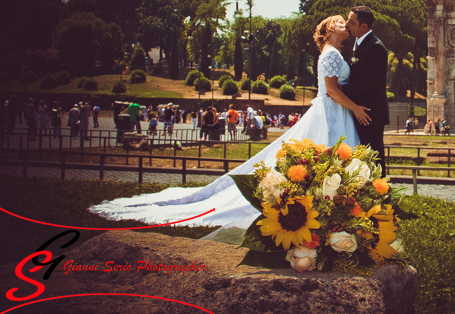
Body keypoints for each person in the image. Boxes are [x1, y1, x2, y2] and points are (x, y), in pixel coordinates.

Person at [90, 14, 369, 229]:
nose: (346, 23)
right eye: (341, 21)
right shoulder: (331, 54)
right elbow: (332, 91)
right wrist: (356, 107)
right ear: (330, 29)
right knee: (325, 151)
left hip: (333, 111)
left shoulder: (334, 53)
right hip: (331, 112)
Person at [341, 6, 390, 175]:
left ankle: (381, 192)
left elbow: (371, 82)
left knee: (373, 157)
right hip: (357, 110)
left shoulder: (376, 47)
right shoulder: (355, 44)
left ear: (364, 26)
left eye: (352, 22)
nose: (347, 24)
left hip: (370, 113)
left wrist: (341, 90)